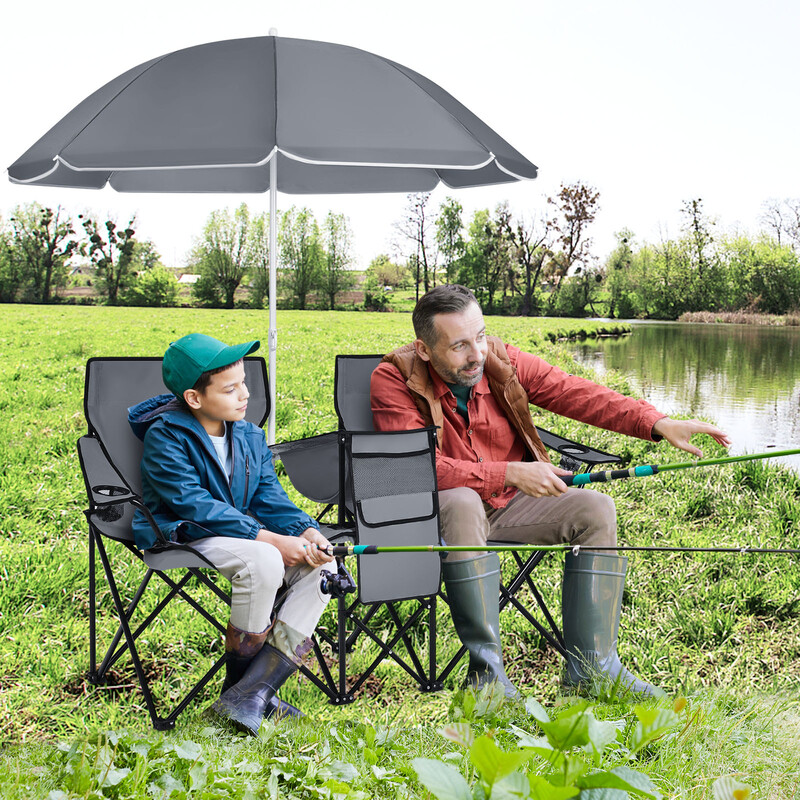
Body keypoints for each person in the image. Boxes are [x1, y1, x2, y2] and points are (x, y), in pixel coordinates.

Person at [370, 284, 730, 698]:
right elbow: (414, 470)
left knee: (595, 509)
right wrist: (509, 473)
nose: (478, 354)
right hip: (436, 513)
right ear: (425, 349)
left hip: (505, 507)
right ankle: (487, 681)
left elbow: (575, 392)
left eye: (481, 336)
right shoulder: (393, 378)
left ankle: (593, 671)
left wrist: (657, 423)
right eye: (460, 346)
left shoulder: (501, 362)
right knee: (465, 501)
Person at [128, 333, 333, 734]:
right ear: (194, 398)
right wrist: (270, 539)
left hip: (241, 534)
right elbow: (193, 504)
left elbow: (270, 498)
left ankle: (250, 695)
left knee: (323, 571)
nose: (245, 394)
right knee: (264, 559)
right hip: (183, 532)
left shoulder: (249, 436)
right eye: (231, 388)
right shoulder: (165, 436)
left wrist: (307, 531)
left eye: (244, 383)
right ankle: (247, 695)